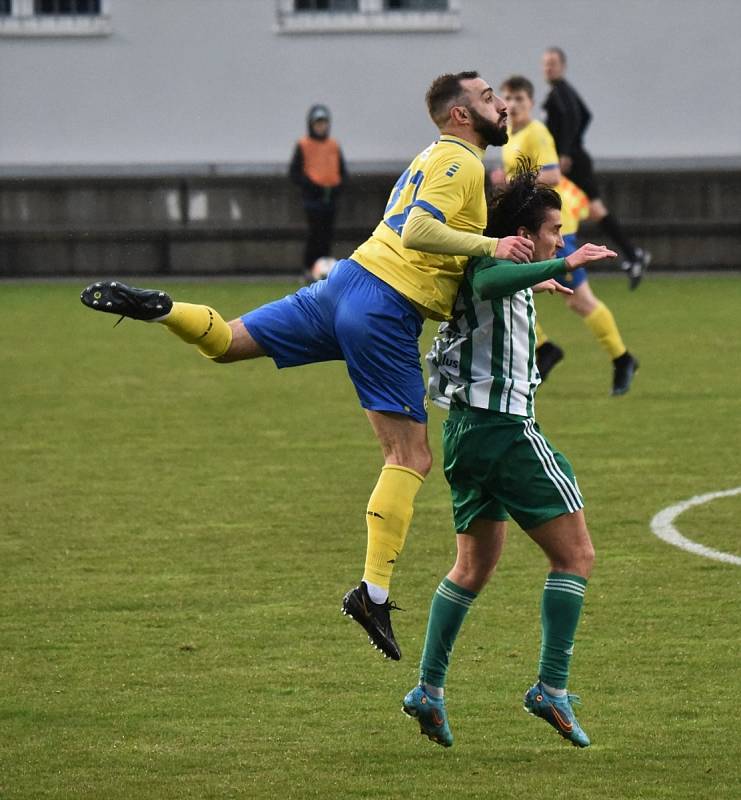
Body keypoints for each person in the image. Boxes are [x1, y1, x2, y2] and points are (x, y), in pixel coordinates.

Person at [80, 71, 535, 663]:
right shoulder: (464, 161)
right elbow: (422, 229)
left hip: (346, 281)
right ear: (459, 115)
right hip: (384, 307)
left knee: (229, 342)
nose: (500, 105)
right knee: (410, 457)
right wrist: (492, 246)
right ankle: (372, 593)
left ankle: (164, 309)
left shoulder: (436, 155)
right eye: (487, 98)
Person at [402, 159, 616, 749]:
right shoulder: (497, 259)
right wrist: (562, 264)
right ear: (526, 234)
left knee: (472, 568)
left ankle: (430, 689)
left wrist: (542, 275)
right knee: (576, 557)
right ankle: (551, 686)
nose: (561, 240)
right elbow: (490, 283)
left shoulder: (502, 260)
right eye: (554, 231)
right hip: (504, 431)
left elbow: (494, 290)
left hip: (466, 434)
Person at [496, 75, 639, 395]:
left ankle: (622, 358)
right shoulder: (509, 135)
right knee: (513, 289)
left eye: (520, 98)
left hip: (554, 230)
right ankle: (545, 349)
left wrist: (511, 182)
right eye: (508, 97)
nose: (514, 104)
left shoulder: (537, 132)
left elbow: (552, 174)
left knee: (579, 301)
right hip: (531, 226)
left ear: (531, 103)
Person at [542, 46, 651, 290]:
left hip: (572, 162)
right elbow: (586, 115)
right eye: (545, 63)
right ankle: (633, 255)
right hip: (574, 158)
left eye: (553, 63)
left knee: (593, 209)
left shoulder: (560, 93)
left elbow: (573, 118)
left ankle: (633, 255)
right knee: (591, 210)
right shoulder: (563, 91)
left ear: (562, 66)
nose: (548, 68)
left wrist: (567, 151)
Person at [289, 104, 348, 279]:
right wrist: (310, 185)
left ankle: (324, 271)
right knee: (315, 234)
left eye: (324, 123)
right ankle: (309, 269)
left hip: (331, 198)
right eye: (318, 123)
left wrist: (338, 187)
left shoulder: (333, 145)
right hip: (312, 199)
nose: (321, 127)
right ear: (311, 125)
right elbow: (295, 173)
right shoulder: (304, 144)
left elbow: (342, 171)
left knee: (327, 236)